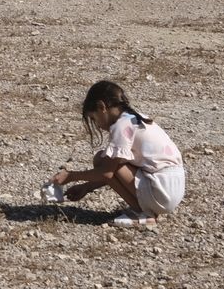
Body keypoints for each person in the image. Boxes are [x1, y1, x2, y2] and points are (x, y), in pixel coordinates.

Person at [48, 80, 185, 227]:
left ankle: (143, 213)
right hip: (173, 186)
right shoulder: (136, 118)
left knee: (101, 160)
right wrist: (86, 187)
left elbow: (106, 173)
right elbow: (113, 172)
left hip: (160, 190)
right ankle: (146, 209)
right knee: (110, 161)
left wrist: (71, 176)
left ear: (102, 107)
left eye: (94, 118)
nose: (97, 125)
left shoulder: (121, 127)